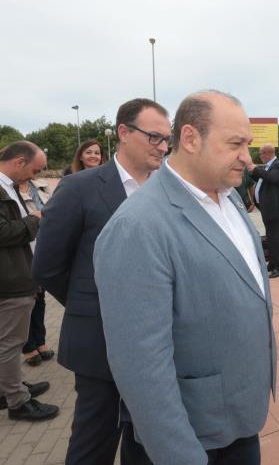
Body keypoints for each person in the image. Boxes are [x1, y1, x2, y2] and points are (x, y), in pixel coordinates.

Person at [94, 90, 276, 465]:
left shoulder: (230, 198)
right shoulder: (138, 226)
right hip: (191, 442)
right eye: (235, 144)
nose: (247, 156)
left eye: (248, 144)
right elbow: (141, 367)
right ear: (191, 138)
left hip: (237, 424)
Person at [32, 98, 171, 464]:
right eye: (155, 137)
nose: (163, 147)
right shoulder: (79, 187)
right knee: (94, 442)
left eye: (166, 139)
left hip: (160, 343)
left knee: (146, 442)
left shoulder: (169, 190)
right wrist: (91, 306)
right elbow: (47, 265)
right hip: (99, 343)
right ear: (123, 133)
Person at [0, 141, 58, 421]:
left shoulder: (8, 187)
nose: (34, 178)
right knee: (11, 344)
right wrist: (36, 218)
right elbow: (4, 233)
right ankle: (17, 402)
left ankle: (9, 388)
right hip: (10, 281)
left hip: (17, 274)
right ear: (19, 162)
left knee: (7, 342)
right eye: (34, 170)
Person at [18, 178, 54, 366]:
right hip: (22, 250)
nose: (37, 171)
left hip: (41, 246)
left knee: (39, 299)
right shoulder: (8, 189)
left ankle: (40, 341)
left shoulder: (39, 186)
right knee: (25, 303)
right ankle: (28, 347)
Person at [246, 143, 279, 278]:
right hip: (267, 209)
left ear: (267, 153)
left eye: (261, 153)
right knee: (270, 236)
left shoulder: (277, 166)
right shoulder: (269, 167)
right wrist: (251, 172)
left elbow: (271, 178)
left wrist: (255, 169)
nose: (260, 156)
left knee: (274, 237)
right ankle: (273, 263)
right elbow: (263, 179)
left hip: (274, 209)